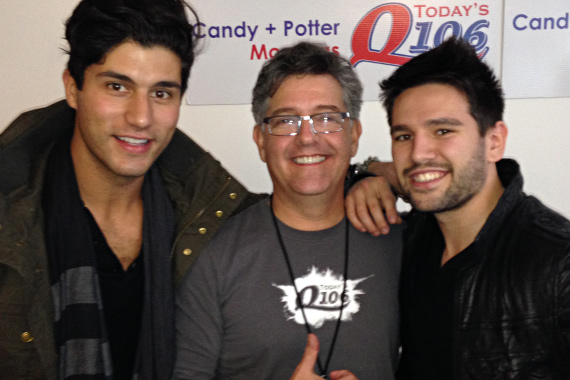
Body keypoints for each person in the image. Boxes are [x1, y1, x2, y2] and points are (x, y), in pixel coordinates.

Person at [0, 0, 265, 378]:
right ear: (73, 88)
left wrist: (369, 176)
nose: (140, 117)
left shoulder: (208, 213)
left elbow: (298, 211)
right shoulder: (10, 214)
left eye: (161, 93)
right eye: (117, 86)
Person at [173, 42, 403, 380]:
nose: (307, 137)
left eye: (327, 118)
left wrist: (382, 174)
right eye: (286, 120)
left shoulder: (401, 241)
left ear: (353, 136)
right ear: (261, 140)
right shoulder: (212, 257)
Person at [348, 37, 570, 379]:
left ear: (494, 141)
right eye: (404, 136)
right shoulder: (406, 240)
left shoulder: (558, 260)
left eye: (443, 130)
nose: (419, 153)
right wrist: (366, 173)